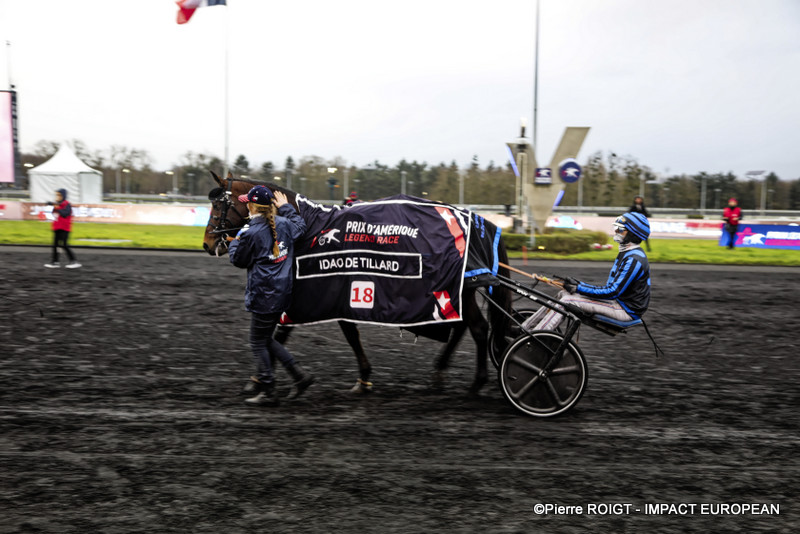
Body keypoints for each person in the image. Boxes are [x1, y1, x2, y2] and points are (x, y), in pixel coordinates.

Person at [227, 185, 314, 406]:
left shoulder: (250, 233)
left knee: (257, 341)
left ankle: (268, 389)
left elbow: (238, 260)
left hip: (263, 296)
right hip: (282, 294)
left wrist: (236, 240)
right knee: (266, 339)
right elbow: (300, 226)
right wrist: (286, 208)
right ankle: (299, 376)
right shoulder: (283, 224)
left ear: (250, 206)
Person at [524, 212, 651, 332]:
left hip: (625, 310)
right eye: (617, 228)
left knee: (568, 301)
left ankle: (536, 337)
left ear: (632, 235)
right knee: (563, 293)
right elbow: (609, 289)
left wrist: (578, 288)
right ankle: (525, 328)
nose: (616, 231)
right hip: (618, 303)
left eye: (621, 229)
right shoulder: (627, 253)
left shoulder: (634, 259)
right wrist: (578, 284)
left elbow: (612, 292)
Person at [44, 188, 81, 269]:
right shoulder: (56, 205)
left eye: (59, 195)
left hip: (64, 228)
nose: (57, 196)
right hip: (57, 227)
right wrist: (49, 206)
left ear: (63, 196)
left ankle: (74, 261)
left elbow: (65, 214)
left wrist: (55, 207)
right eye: (56, 195)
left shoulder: (67, 204)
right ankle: (55, 262)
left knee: (64, 245)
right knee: (55, 246)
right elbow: (50, 214)